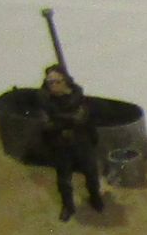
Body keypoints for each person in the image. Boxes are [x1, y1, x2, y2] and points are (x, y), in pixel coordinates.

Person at [30, 63, 105, 221]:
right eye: (50, 82)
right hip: (60, 145)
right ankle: (68, 206)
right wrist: (68, 120)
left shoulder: (77, 96)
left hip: (81, 142)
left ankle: (95, 197)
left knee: (91, 173)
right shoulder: (44, 100)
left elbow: (83, 118)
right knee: (64, 179)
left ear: (65, 81)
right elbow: (46, 124)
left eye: (57, 81)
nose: (53, 85)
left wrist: (61, 120)